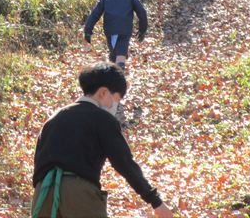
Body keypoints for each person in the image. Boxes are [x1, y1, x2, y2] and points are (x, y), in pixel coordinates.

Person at [31, 63, 174, 218]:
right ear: (103, 92)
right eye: (116, 100)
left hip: (43, 193)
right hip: (79, 193)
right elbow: (124, 163)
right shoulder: (103, 119)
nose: (115, 107)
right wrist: (155, 201)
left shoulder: (54, 118)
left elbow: (39, 161)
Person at [84, 0, 147, 72]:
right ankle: (119, 74)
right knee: (120, 53)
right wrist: (142, 29)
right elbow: (142, 12)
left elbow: (94, 14)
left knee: (115, 52)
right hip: (125, 29)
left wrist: (88, 30)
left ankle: (115, 73)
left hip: (110, 29)